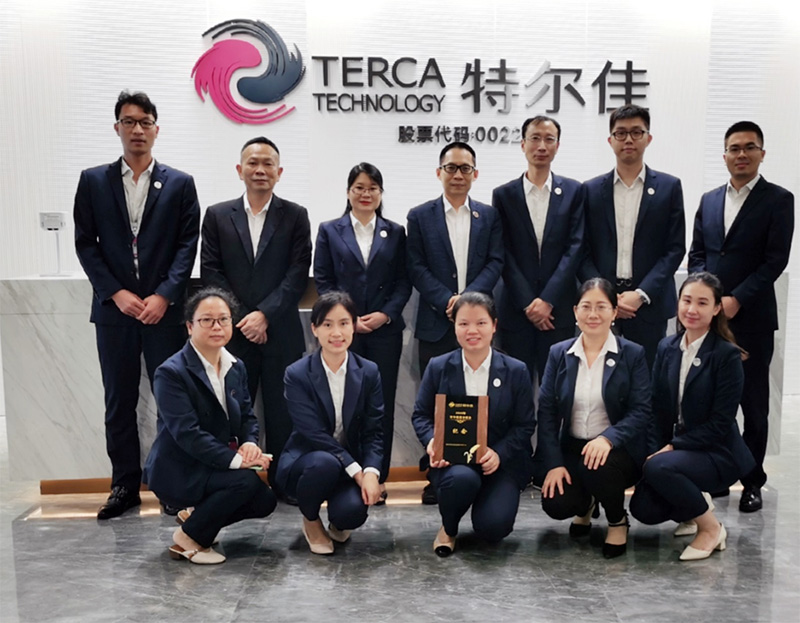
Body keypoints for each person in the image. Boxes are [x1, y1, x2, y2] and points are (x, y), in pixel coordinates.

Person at [74, 90, 200, 519]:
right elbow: (85, 245)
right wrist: (115, 292)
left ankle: (169, 484)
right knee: (119, 402)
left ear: (156, 129)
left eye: (145, 122)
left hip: (164, 312)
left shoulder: (180, 183)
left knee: (171, 401)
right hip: (115, 313)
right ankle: (124, 486)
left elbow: (187, 245)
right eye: (129, 122)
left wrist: (164, 295)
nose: (137, 130)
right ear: (117, 128)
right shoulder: (93, 181)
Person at [688, 121, 794, 513]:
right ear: (725, 155)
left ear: (761, 154)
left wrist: (737, 300)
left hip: (751, 320)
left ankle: (752, 481)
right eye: (734, 148)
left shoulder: (778, 199)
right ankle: (718, 474)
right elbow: (698, 254)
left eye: (749, 147)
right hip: (711, 320)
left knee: (753, 404)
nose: (741, 154)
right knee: (712, 402)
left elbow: (775, 261)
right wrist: (708, 300)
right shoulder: (710, 199)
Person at [201, 137, 312, 492]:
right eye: (253, 163)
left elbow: (297, 273)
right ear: (240, 170)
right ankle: (238, 484)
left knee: (284, 413)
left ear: (279, 172)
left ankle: (284, 481)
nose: (260, 170)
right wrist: (243, 318)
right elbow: (211, 272)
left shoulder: (296, 215)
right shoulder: (217, 215)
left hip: (280, 331)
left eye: (268, 164)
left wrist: (264, 315)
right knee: (234, 413)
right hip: (233, 336)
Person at [143, 287, 277, 565]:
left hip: (211, 464)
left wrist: (249, 444)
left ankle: (198, 519)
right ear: (190, 326)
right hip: (179, 469)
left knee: (265, 500)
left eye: (223, 319)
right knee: (243, 482)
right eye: (207, 320)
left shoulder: (236, 366)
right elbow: (187, 434)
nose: (217, 326)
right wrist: (237, 461)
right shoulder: (171, 373)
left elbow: (247, 417)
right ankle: (189, 537)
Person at [630, 272, 754, 560]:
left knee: (659, 468)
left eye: (702, 303)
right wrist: (654, 450)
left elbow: (720, 424)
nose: (692, 309)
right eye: (686, 300)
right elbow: (656, 409)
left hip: (717, 452)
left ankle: (711, 529)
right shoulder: (667, 348)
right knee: (643, 509)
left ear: (717, 308)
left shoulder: (726, 355)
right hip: (679, 451)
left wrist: (671, 448)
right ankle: (693, 506)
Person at [406, 141, 503, 504]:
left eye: (465, 168)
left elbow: (495, 262)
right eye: (451, 168)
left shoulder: (489, 216)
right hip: (436, 321)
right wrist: (446, 299)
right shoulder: (420, 216)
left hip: (476, 323)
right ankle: (438, 474)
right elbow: (415, 265)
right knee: (438, 401)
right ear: (439, 172)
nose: (458, 174)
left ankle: (481, 468)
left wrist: (467, 301)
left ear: (475, 174)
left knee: (478, 396)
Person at [314, 163, 411, 503]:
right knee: (345, 404)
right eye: (359, 187)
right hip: (343, 334)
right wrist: (347, 320)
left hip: (384, 332)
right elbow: (323, 279)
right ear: (348, 192)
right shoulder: (330, 230)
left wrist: (385, 315)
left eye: (372, 188)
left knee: (379, 406)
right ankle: (346, 475)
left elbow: (404, 281)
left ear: (381, 193)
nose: (365, 193)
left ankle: (376, 477)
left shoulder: (395, 232)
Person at [412, 292, 535, 557]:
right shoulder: (438, 367)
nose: (472, 331)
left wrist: (499, 453)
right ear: (454, 326)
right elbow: (420, 415)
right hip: (453, 464)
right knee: (461, 480)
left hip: (500, 464)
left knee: (493, 528)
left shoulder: (516, 371)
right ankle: (449, 527)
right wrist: (433, 441)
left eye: (480, 323)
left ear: (494, 325)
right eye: (464, 323)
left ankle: (485, 503)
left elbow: (525, 425)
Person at [537, 278, 650, 559]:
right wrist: (554, 463)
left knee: (597, 468)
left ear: (614, 312)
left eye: (601, 307)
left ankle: (617, 520)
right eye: (586, 306)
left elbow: (640, 411)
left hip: (617, 450)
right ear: (575, 311)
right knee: (556, 503)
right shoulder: (559, 353)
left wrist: (608, 439)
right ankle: (586, 503)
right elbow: (547, 412)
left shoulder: (632, 354)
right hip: (573, 446)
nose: (593, 314)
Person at [276, 292, 384, 555]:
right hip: (307, 461)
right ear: (314, 329)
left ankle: (337, 520)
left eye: (344, 323)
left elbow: (374, 430)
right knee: (324, 462)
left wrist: (371, 471)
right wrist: (356, 470)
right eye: (327, 324)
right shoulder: (297, 373)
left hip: (348, 463)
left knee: (352, 514)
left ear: (354, 326)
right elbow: (312, 433)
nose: (337, 333)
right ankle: (311, 519)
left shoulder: (368, 371)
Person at [580, 104, 685, 369]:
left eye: (637, 132)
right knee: (599, 379)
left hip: (649, 305)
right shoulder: (591, 190)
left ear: (648, 138)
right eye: (621, 133)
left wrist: (641, 293)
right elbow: (582, 249)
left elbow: (674, 249)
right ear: (610, 140)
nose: (628, 139)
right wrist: (606, 296)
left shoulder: (669, 187)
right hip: (601, 306)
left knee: (647, 380)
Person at [492, 115, 584, 384]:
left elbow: (575, 247)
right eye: (535, 138)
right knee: (514, 389)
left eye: (549, 139)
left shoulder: (574, 191)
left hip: (558, 311)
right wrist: (528, 303)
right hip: (516, 310)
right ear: (523, 144)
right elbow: (503, 251)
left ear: (557, 146)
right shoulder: (504, 195)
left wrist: (547, 300)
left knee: (557, 388)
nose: (542, 146)